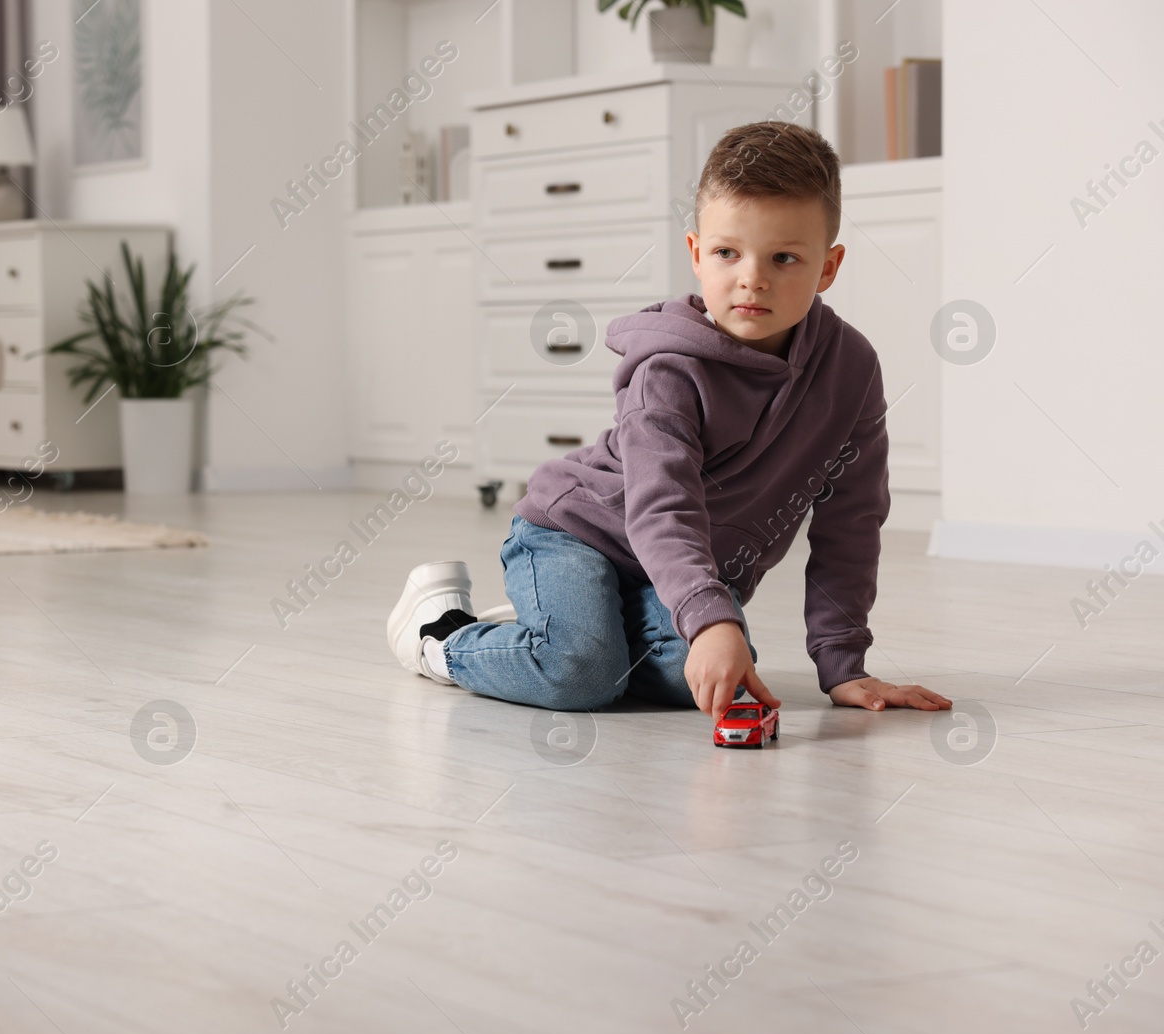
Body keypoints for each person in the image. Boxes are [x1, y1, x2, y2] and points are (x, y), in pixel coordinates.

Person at [386, 121, 951, 722]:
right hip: (578, 534)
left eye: (784, 258)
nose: (751, 278)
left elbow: (852, 522)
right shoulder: (669, 370)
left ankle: (577, 624)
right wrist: (710, 620)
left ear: (829, 267)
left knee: (712, 683)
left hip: (681, 570)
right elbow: (662, 506)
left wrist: (845, 667)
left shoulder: (852, 368)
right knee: (582, 674)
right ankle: (443, 632)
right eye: (727, 252)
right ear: (695, 253)